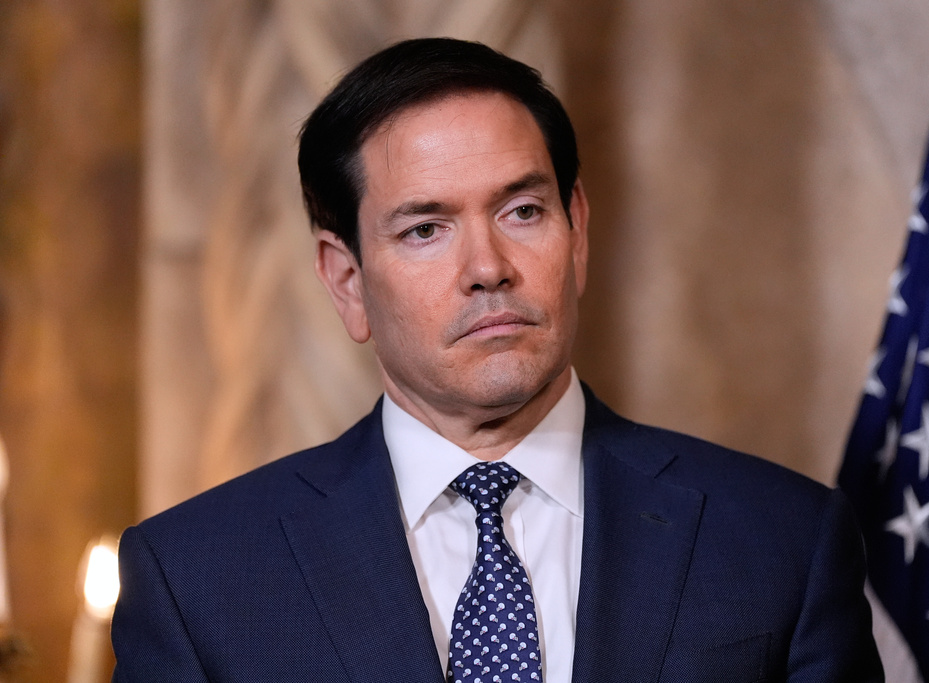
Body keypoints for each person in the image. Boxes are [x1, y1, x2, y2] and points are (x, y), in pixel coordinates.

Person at [110, 37, 883, 682]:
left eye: (522, 211)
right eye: (425, 229)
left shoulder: (782, 538)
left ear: (576, 232)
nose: (489, 266)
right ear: (347, 280)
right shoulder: (198, 578)